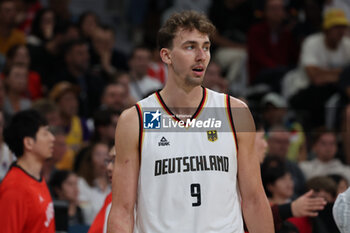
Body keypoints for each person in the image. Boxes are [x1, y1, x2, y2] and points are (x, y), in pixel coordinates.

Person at [107, 10, 274, 233]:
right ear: (166, 56)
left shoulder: (234, 113)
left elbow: (254, 199)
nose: (201, 55)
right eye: (190, 47)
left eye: (206, 47)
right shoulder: (136, 120)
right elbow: (122, 210)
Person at [0, 109, 55, 232]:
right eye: (45, 133)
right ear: (29, 143)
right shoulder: (15, 188)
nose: (52, 138)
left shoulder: (37, 179)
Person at [88, 146, 116, 233]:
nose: (108, 168)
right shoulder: (110, 199)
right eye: (108, 161)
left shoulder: (148, 200)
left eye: (115, 161)